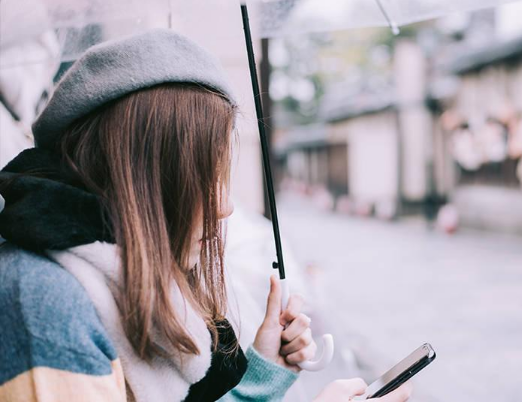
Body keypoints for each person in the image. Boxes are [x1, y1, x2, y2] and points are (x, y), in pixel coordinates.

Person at [0, 29, 411, 402]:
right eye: (204, 177)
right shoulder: (42, 303)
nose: (224, 207)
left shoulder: (109, 280)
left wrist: (265, 373)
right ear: (144, 175)